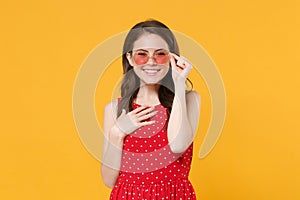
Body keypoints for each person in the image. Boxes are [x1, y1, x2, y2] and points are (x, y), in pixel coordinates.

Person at [101, 19, 201, 200]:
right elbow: (108, 180)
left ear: (171, 57)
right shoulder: (114, 109)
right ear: (130, 58)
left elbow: (178, 146)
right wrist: (118, 132)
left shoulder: (189, 99)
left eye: (160, 54)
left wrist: (178, 84)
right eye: (142, 54)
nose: (152, 62)